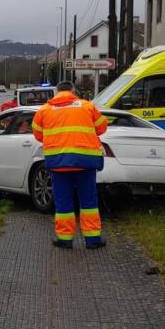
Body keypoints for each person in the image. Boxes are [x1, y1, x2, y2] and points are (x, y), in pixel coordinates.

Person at [32, 81, 108, 249]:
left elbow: (38, 134)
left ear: (56, 92)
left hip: (58, 162)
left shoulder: (44, 110)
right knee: (89, 201)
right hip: (85, 161)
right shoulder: (87, 106)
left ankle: (65, 240)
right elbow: (102, 128)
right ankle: (93, 240)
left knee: (63, 202)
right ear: (73, 91)